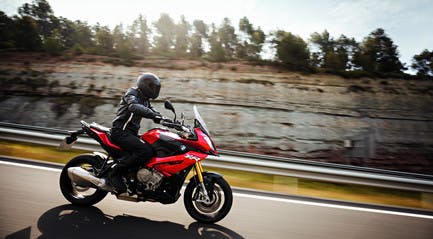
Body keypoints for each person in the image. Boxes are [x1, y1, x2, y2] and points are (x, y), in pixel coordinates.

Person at [109, 72, 162, 193]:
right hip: (120, 131)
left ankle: (136, 178)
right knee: (145, 151)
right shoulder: (132, 93)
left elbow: (151, 110)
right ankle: (115, 173)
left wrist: (166, 119)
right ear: (144, 85)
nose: (154, 90)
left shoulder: (145, 99)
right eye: (152, 87)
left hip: (130, 134)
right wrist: (153, 114)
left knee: (153, 149)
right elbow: (134, 106)